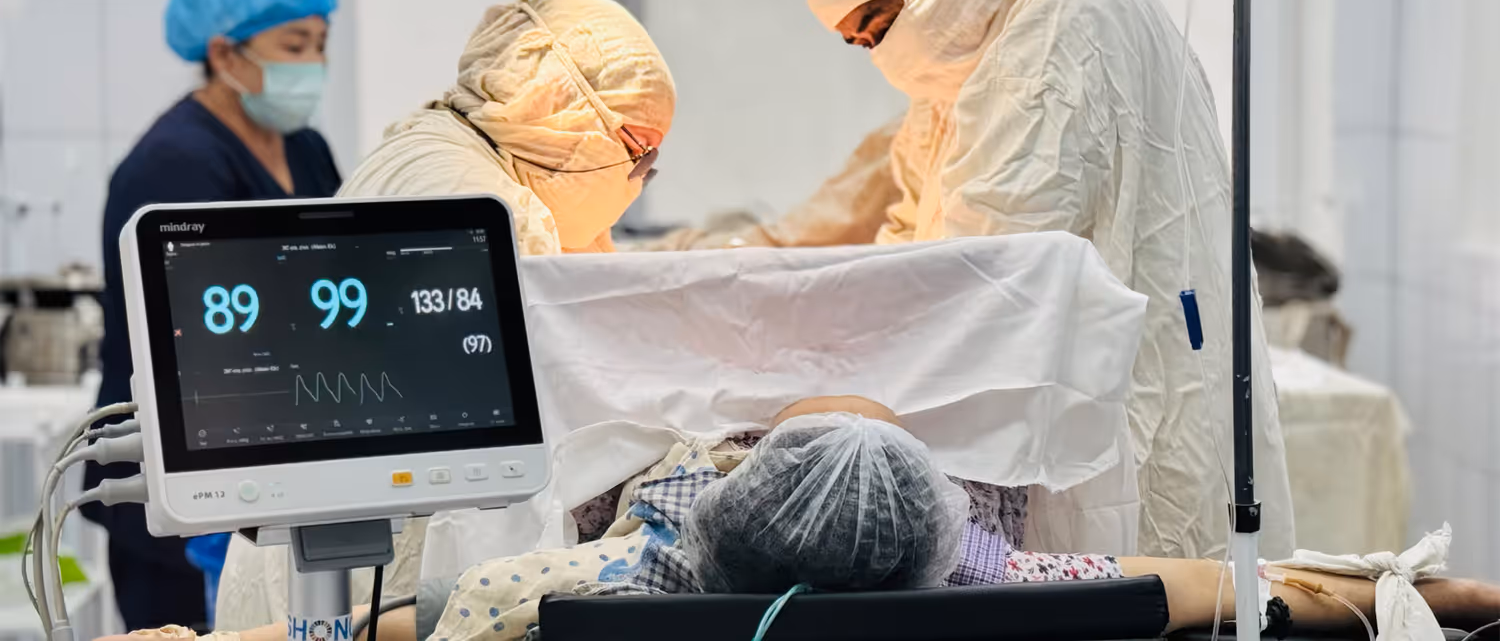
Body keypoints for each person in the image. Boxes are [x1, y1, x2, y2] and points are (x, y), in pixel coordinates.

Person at [660, 0, 1295, 561]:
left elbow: (983, 276)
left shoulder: (1068, 17)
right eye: (857, 43)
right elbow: (909, 238)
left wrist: (822, 382)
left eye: (876, 27)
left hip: (1133, 411)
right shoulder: (976, 51)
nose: (877, 56)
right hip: (1075, 411)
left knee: (1155, 580)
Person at [106, 396, 1500, 641]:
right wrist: (1454, 594)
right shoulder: (1018, 589)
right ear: (946, 527)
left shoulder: (574, 587)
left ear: (722, 492)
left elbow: (367, 629)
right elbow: (1235, 586)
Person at [213, 0, 677, 630]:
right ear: (562, 110)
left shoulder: (430, 142)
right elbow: (566, 408)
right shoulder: (495, 209)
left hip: (317, 543)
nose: (640, 178)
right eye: (637, 151)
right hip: (363, 568)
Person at [85, 0, 342, 631]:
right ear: (226, 55)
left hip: (267, 462)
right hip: (182, 484)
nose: (313, 64)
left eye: (321, 43)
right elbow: (193, 338)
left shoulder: (306, 148)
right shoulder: (174, 164)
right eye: (294, 46)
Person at [338, 0, 673, 255]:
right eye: (637, 153)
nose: (635, 181)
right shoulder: (478, 201)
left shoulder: (465, 151)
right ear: (558, 103)